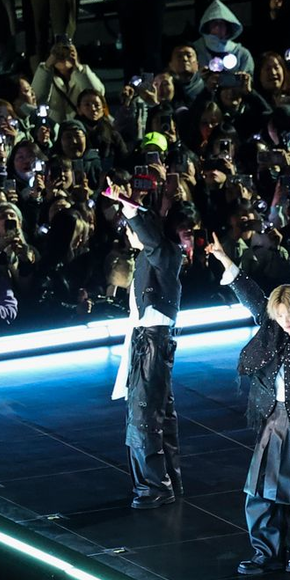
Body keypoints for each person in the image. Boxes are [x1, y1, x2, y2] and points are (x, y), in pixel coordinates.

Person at [205, 232, 290, 576]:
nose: (286, 321)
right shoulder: (273, 330)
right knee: (261, 488)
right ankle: (266, 551)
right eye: (280, 316)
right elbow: (252, 296)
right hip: (273, 420)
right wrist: (225, 259)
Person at [104, 185, 191, 509]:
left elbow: (151, 238)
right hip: (149, 340)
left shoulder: (164, 253)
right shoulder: (151, 257)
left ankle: (155, 486)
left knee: (145, 415)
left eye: (132, 228)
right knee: (159, 414)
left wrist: (129, 207)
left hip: (152, 342)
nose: (129, 233)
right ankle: (166, 481)